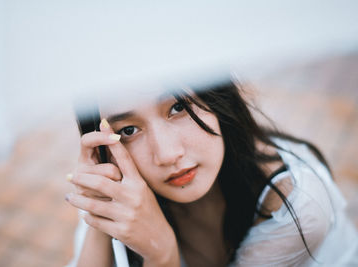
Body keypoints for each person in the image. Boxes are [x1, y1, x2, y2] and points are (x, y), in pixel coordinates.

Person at [65, 80, 358, 266]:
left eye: (178, 107)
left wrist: (161, 255)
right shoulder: (126, 187)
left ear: (217, 98)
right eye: (128, 130)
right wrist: (99, 207)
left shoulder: (296, 208)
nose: (168, 154)